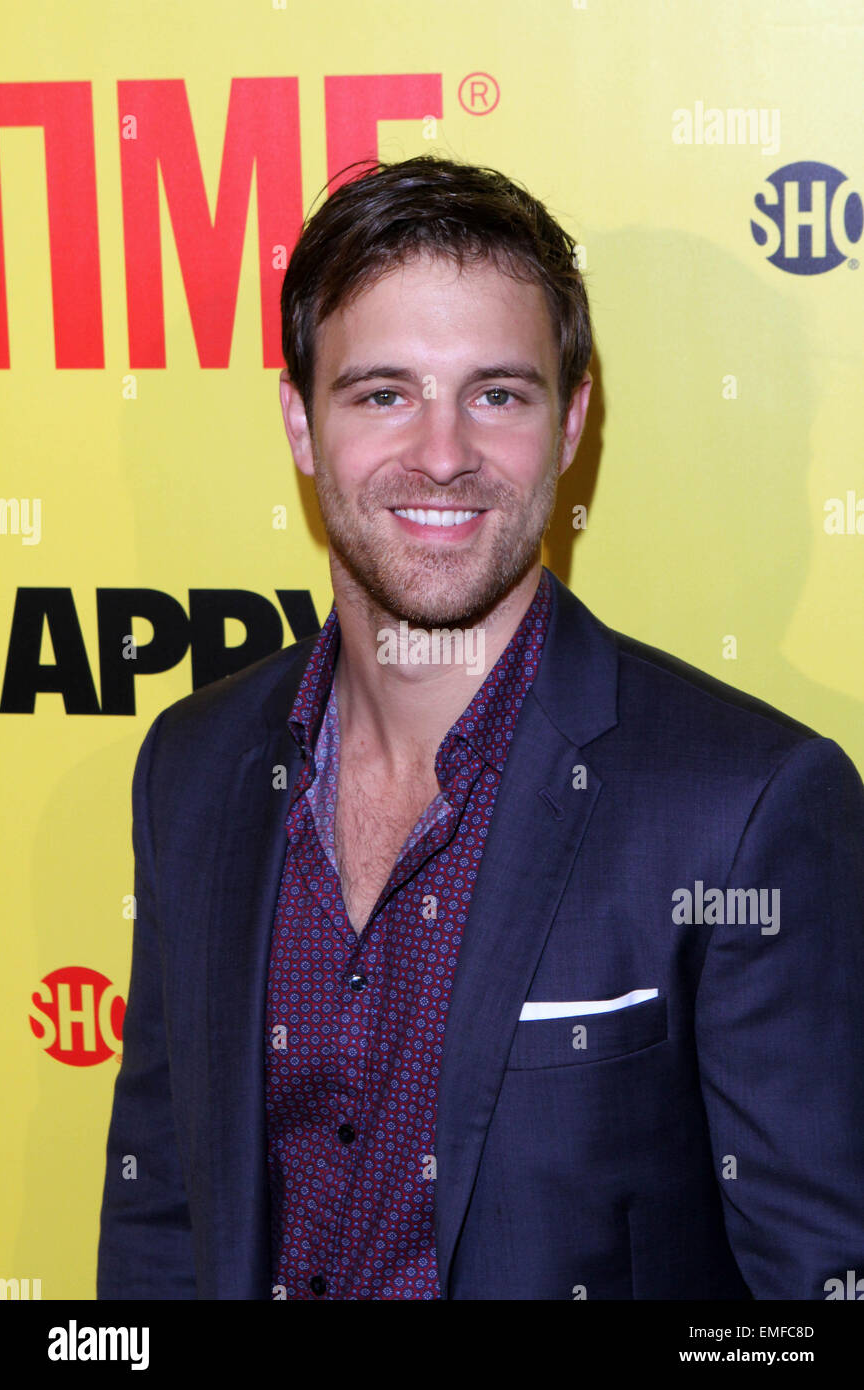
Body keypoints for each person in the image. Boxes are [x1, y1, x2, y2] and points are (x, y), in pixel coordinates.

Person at [97, 154, 864, 1301]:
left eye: (496, 394)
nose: (443, 454)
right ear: (302, 423)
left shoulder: (744, 805)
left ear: (570, 426)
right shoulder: (193, 767)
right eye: (383, 393)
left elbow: (816, 1288)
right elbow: (158, 1208)